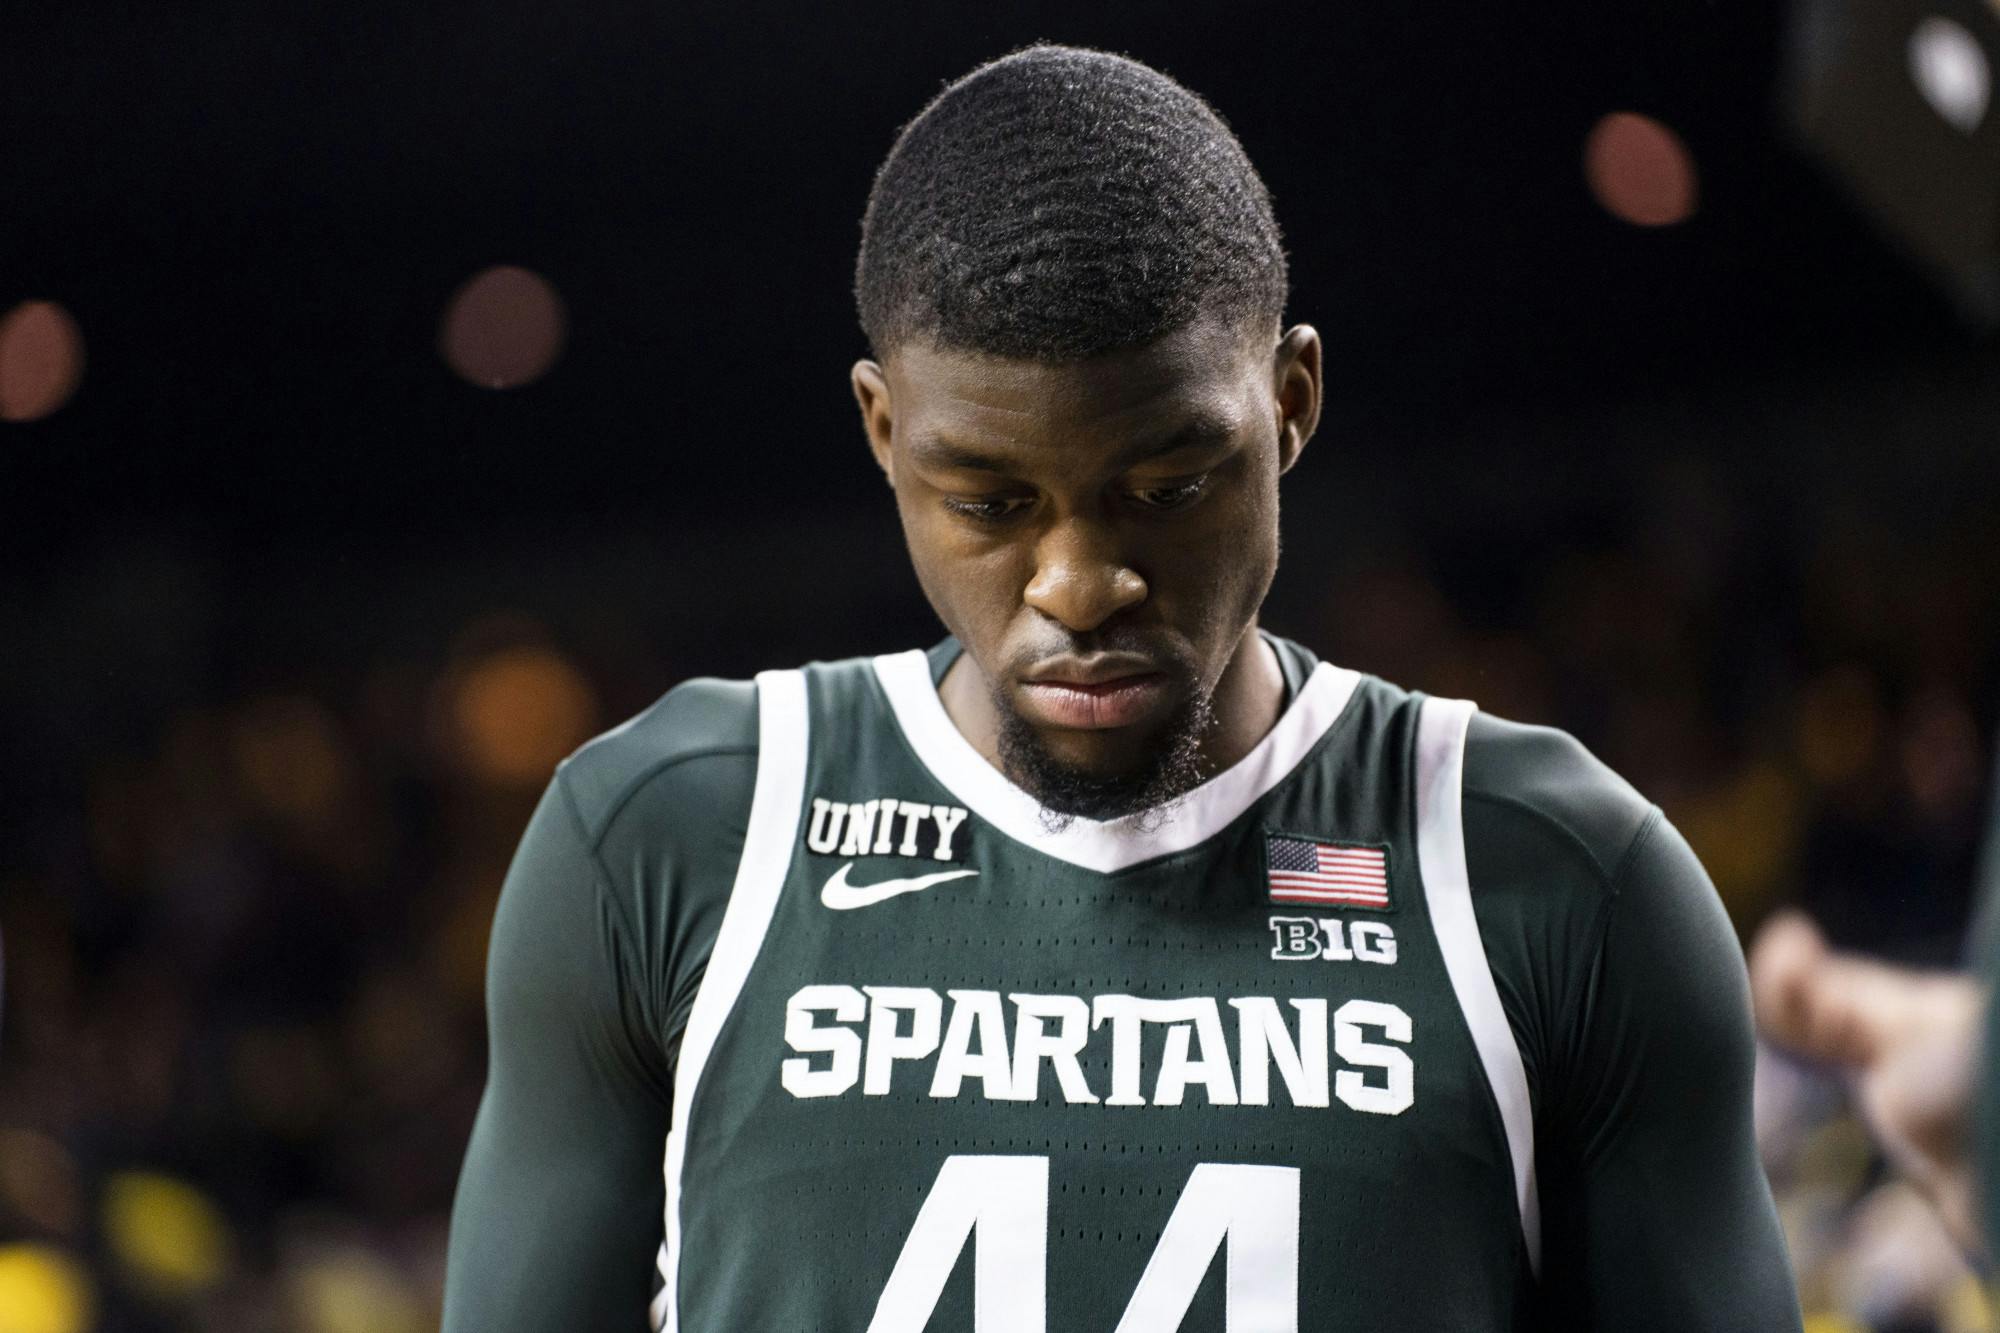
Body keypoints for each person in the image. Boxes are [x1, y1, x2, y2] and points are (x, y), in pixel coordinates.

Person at [440, 43, 1800, 1331]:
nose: (1081, 584)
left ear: (1291, 403)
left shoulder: (1562, 878)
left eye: (1167, 487)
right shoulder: (666, 844)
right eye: (991, 498)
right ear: (883, 431)